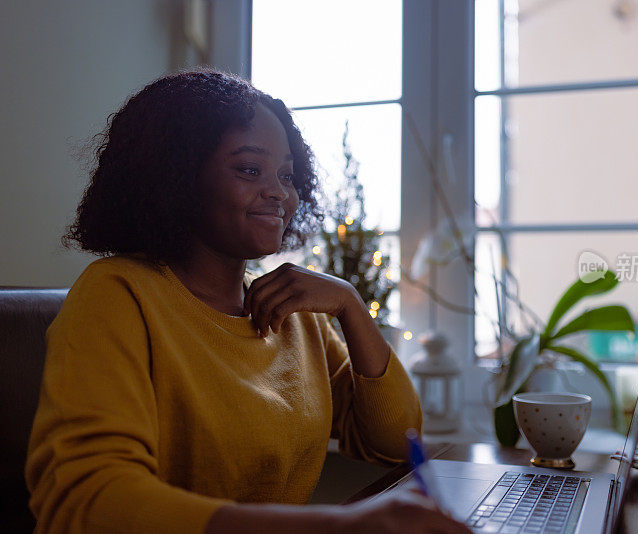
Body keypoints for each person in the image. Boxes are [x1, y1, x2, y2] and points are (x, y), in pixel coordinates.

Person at [25, 69, 469, 534]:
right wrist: (338, 528)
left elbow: (394, 442)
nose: (279, 192)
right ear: (177, 174)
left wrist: (350, 304)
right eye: (249, 169)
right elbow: (90, 500)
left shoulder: (291, 311)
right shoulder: (117, 295)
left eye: (287, 175)